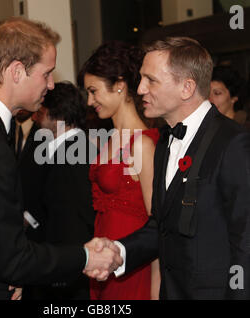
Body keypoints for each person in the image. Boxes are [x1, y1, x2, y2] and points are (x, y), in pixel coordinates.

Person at [0, 17, 121, 300]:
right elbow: (13, 258)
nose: (52, 85)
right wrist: (86, 257)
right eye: (46, 73)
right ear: (17, 71)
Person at [88, 37, 250, 299]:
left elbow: (246, 243)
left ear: (186, 87)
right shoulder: (164, 142)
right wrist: (119, 252)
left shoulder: (233, 143)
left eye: (150, 80)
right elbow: (161, 227)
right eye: (141, 78)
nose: (139, 89)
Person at [78, 41, 161, 300]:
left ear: (120, 85)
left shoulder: (143, 144)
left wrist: (156, 290)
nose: (90, 101)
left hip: (133, 268)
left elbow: (158, 226)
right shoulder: (110, 138)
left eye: (94, 91)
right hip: (104, 264)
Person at [23, 81, 96, 300]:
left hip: (68, 276)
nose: (35, 118)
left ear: (58, 116)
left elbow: (72, 223)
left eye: (41, 112)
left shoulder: (74, 155)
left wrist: (61, 275)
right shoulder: (64, 149)